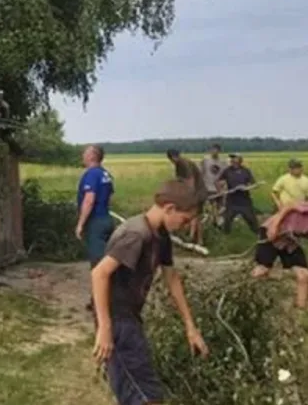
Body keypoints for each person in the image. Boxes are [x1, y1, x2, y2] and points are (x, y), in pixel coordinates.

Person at [92, 179, 209, 404]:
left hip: (130, 318)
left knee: (142, 393)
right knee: (146, 397)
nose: (185, 226)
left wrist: (190, 327)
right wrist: (105, 328)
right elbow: (99, 274)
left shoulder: (161, 234)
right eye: (185, 220)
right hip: (117, 319)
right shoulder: (137, 234)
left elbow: (171, 277)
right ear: (169, 208)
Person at [74, 145, 115, 267]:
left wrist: (80, 224)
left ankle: (102, 285)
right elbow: (110, 196)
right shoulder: (105, 174)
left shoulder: (91, 174)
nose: (83, 156)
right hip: (107, 219)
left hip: (95, 222)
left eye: (85, 153)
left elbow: (89, 200)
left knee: (98, 262)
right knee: (109, 256)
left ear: (92, 156)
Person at [167, 149, 207, 244]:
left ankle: (198, 239)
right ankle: (192, 237)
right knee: (194, 215)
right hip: (196, 192)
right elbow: (179, 180)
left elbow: (190, 180)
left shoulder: (183, 163)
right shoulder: (180, 164)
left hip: (197, 192)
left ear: (173, 157)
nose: (172, 161)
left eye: (172, 159)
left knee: (196, 215)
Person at [218, 154, 260, 235]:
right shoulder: (227, 171)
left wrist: (246, 188)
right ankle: (226, 237)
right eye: (232, 158)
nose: (232, 160)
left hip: (245, 201)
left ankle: (258, 236)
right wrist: (221, 188)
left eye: (234, 158)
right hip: (231, 201)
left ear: (240, 160)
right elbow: (219, 182)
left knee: (252, 220)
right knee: (227, 221)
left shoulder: (246, 171)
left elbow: (255, 185)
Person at [200, 144, 228, 210]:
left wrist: (223, 185)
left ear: (219, 151)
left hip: (219, 189)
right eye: (213, 150)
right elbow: (201, 173)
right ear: (210, 151)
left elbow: (226, 175)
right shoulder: (205, 161)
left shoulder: (223, 162)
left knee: (220, 207)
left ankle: (218, 218)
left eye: (216, 150)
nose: (214, 152)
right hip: (208, 188)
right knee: (209, 208)